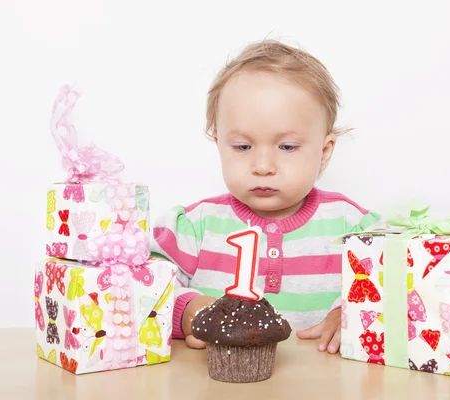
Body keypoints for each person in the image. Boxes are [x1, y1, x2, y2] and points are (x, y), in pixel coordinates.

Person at [151, 39, 381, 354]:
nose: (262, 166)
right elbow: (144, 283)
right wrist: (189, 311)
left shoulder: (353, 227)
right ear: (219, 144)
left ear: (324, 152)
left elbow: (393, 280)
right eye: (242, 147)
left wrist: (354, 314)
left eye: (287, 147)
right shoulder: (195, 227)